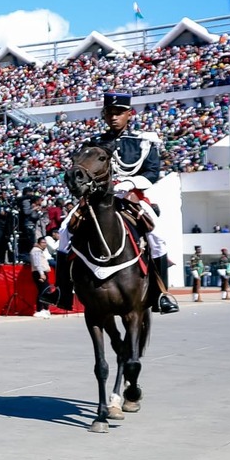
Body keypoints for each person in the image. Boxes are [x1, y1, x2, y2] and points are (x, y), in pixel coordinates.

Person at [52, 91, 180, 315]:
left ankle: (161, 294)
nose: (114, 117)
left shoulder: (142, 143)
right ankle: (61, 291)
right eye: (110, 113)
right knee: (64, 231)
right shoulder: (94, 143)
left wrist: (129, 184)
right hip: (98, 199)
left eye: (119, 113)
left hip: (131, 198)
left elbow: (152, 173)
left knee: (157, 236)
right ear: (104, 115)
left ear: (129, 114)